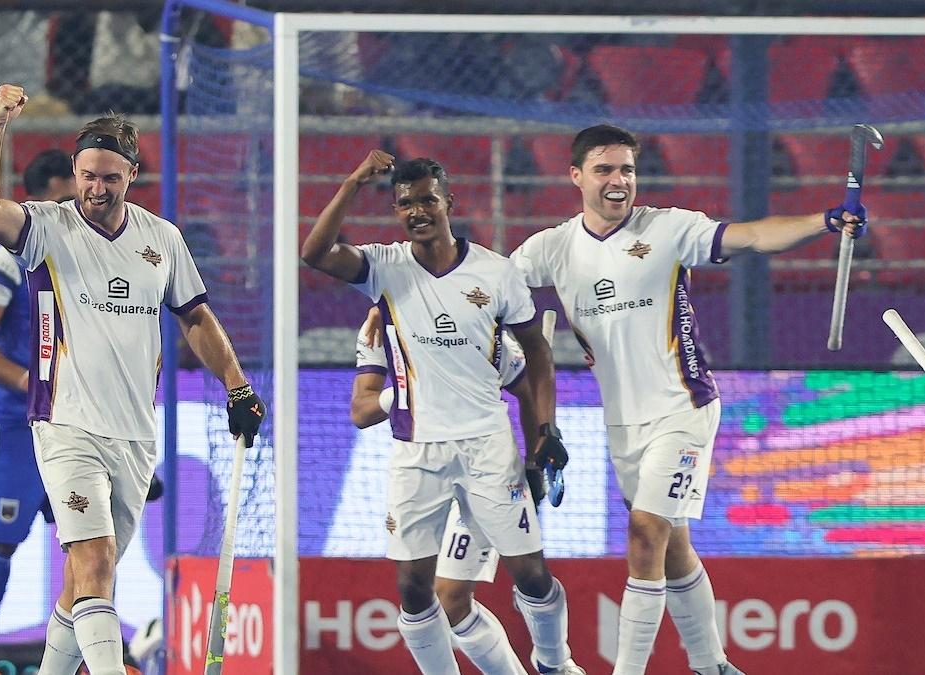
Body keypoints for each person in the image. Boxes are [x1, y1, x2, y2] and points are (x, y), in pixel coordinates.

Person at [510, 124, 867, 675]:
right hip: (622, 422)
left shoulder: (671, 229)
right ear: (576, 176)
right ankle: (712, 665)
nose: (618, 180)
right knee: (672, 543)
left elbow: (751, 236)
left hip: (684, 408)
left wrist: (824, 221)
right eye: (604, 169)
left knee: (645, 532)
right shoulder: (550, 248)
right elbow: (479, 285)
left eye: (627, 169)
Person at [0, 84, 265, 675]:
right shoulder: (45, 228)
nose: (96, 189)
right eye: (86, 176)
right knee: (95, 562)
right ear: (74, 172)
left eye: (110, 178)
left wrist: (238, 385)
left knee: (84, 582)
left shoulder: (162, 239)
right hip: (65, 424)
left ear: (132, 175)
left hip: (134, 435)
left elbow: (196, 317)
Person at [301, 151, 584, 675]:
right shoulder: (383, 269)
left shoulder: (495, 273)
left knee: (531, 573)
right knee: (413, 590)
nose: (417, 211)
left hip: (486, 447)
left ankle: (554, 662)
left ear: (448, 202)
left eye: (427, 199)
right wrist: (353, 180)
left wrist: (543, 433)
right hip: (417, 452)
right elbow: (315, 253)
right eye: (405, 203)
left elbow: (537, 355)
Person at [0, 149, 159, 675]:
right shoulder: (5, 256)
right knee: (0, 538)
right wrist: (31, 383)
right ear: (54, 186)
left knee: (93, 544)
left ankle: (93, 660)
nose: (94, 193)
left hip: (82, 420)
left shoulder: (102, 253)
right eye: (80, 181)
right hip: (16, 422)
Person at [352, 308, 546, 673]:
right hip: (424, 468)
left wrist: (535, 464)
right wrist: (413, 391)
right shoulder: (378, 328)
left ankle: (555, 658)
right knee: (434, 599)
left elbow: (527, 389)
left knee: (453, 596)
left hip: (481, 468)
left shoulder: (470, 323)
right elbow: (361, 411)